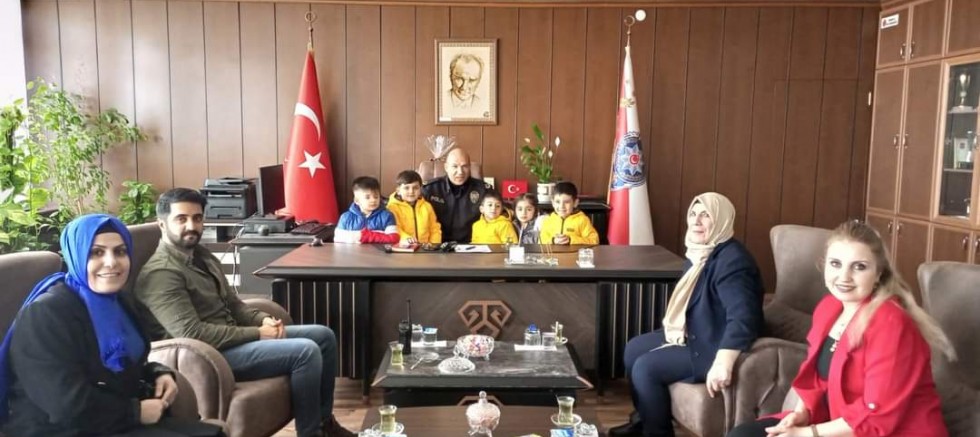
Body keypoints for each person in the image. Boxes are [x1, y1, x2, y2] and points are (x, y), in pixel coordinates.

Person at [134, 188, 355, 437]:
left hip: (231, 340)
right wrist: (258, 333)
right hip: (207, 356)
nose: (191, 226)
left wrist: (264, 319)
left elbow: (234, 304)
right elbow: (192, 333)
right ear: (162, 224)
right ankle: (310, 433)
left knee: (323, 336)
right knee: (306, 351)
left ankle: (324, 425)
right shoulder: (161, 274)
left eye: (197, 218)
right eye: (181, 219)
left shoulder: (202, 256)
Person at [0, 214, 223, 437]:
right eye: (96, 252)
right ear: (76, 255)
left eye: (120, 251)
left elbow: (122, 365)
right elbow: (64, 403)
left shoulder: (120, 302)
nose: (111, 262)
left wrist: (157, 373)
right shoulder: (45, 315)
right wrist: (135, 413)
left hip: (112, 420)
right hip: (60, 429)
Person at [727, 220, 954, 437]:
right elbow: (815, 378)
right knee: (743, 435)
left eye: (859, 267)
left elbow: (877, 415)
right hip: (837, 423)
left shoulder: (891, 323)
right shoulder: (829, 308)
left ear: (878, 274)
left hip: (889, 431)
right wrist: (801, 413)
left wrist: (807, 434)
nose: (844, 277)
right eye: (835, 264)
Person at [609, 192, 764, 437]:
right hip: (694, 330)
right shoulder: (700, 252)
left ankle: (657, 434)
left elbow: (744, 317)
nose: (696, 221)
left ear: (722, 219)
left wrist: (724, 361)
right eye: (693, 214)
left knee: (646, 368)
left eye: (706, 215)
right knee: (633, 348)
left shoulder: (733, 262)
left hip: (713, 342)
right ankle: (644, 421)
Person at [422, 148, 492, 243]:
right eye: (455, 166)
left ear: (470, 167)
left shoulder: (484, 190)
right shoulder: (429, 189)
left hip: (472, 245)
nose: (460, 172)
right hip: (438, 245)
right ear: (446, 167)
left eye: (464, 166)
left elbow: (500, 216)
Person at [334, 176, 399, 245]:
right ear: (357, 200)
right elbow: (338, 238)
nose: (373, 200)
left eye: (376, 197)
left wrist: (366, 236)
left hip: (378, 251)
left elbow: (393, 238)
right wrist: (379, 234)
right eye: (367, 197)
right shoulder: (346, 217)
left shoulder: (387, 216)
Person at [386, 170, 442, 245]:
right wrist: (407, 239)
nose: (411, 191)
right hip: (403, 247)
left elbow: (434, 228)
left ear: (420, 189)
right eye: (406, 188)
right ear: (398, 190)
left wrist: (434, 245)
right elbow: (395, 228)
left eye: (415, 188)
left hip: (425, 248)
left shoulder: (427, 206)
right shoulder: (392, 208)